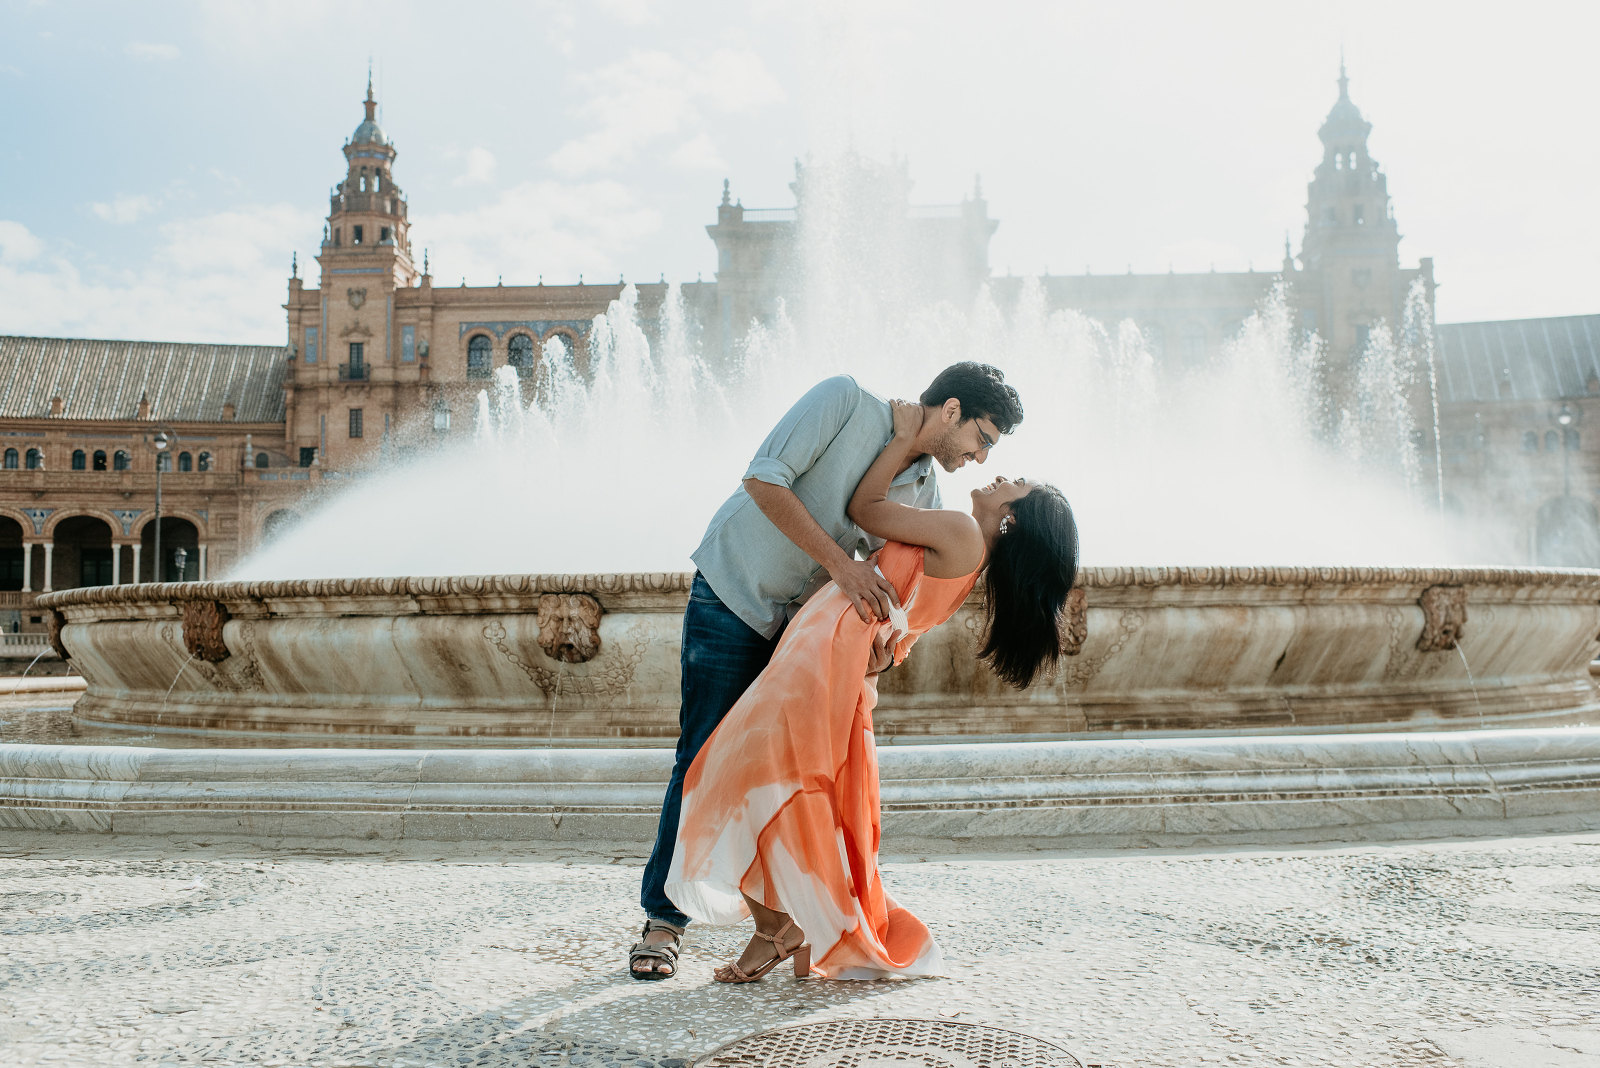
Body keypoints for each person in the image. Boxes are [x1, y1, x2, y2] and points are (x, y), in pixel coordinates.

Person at [629, 363, 1025, 979]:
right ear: (951, 410)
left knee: (774, 778)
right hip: (737, 592)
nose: (979, 457)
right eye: (983, 438)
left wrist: (884, 650)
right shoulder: (845, 401)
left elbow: (902, 596)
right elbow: (764, 481)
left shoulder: (927, 493)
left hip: (803, 640)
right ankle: (663, 923)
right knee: (700, 752)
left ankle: (780, 926)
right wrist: (843, 565)